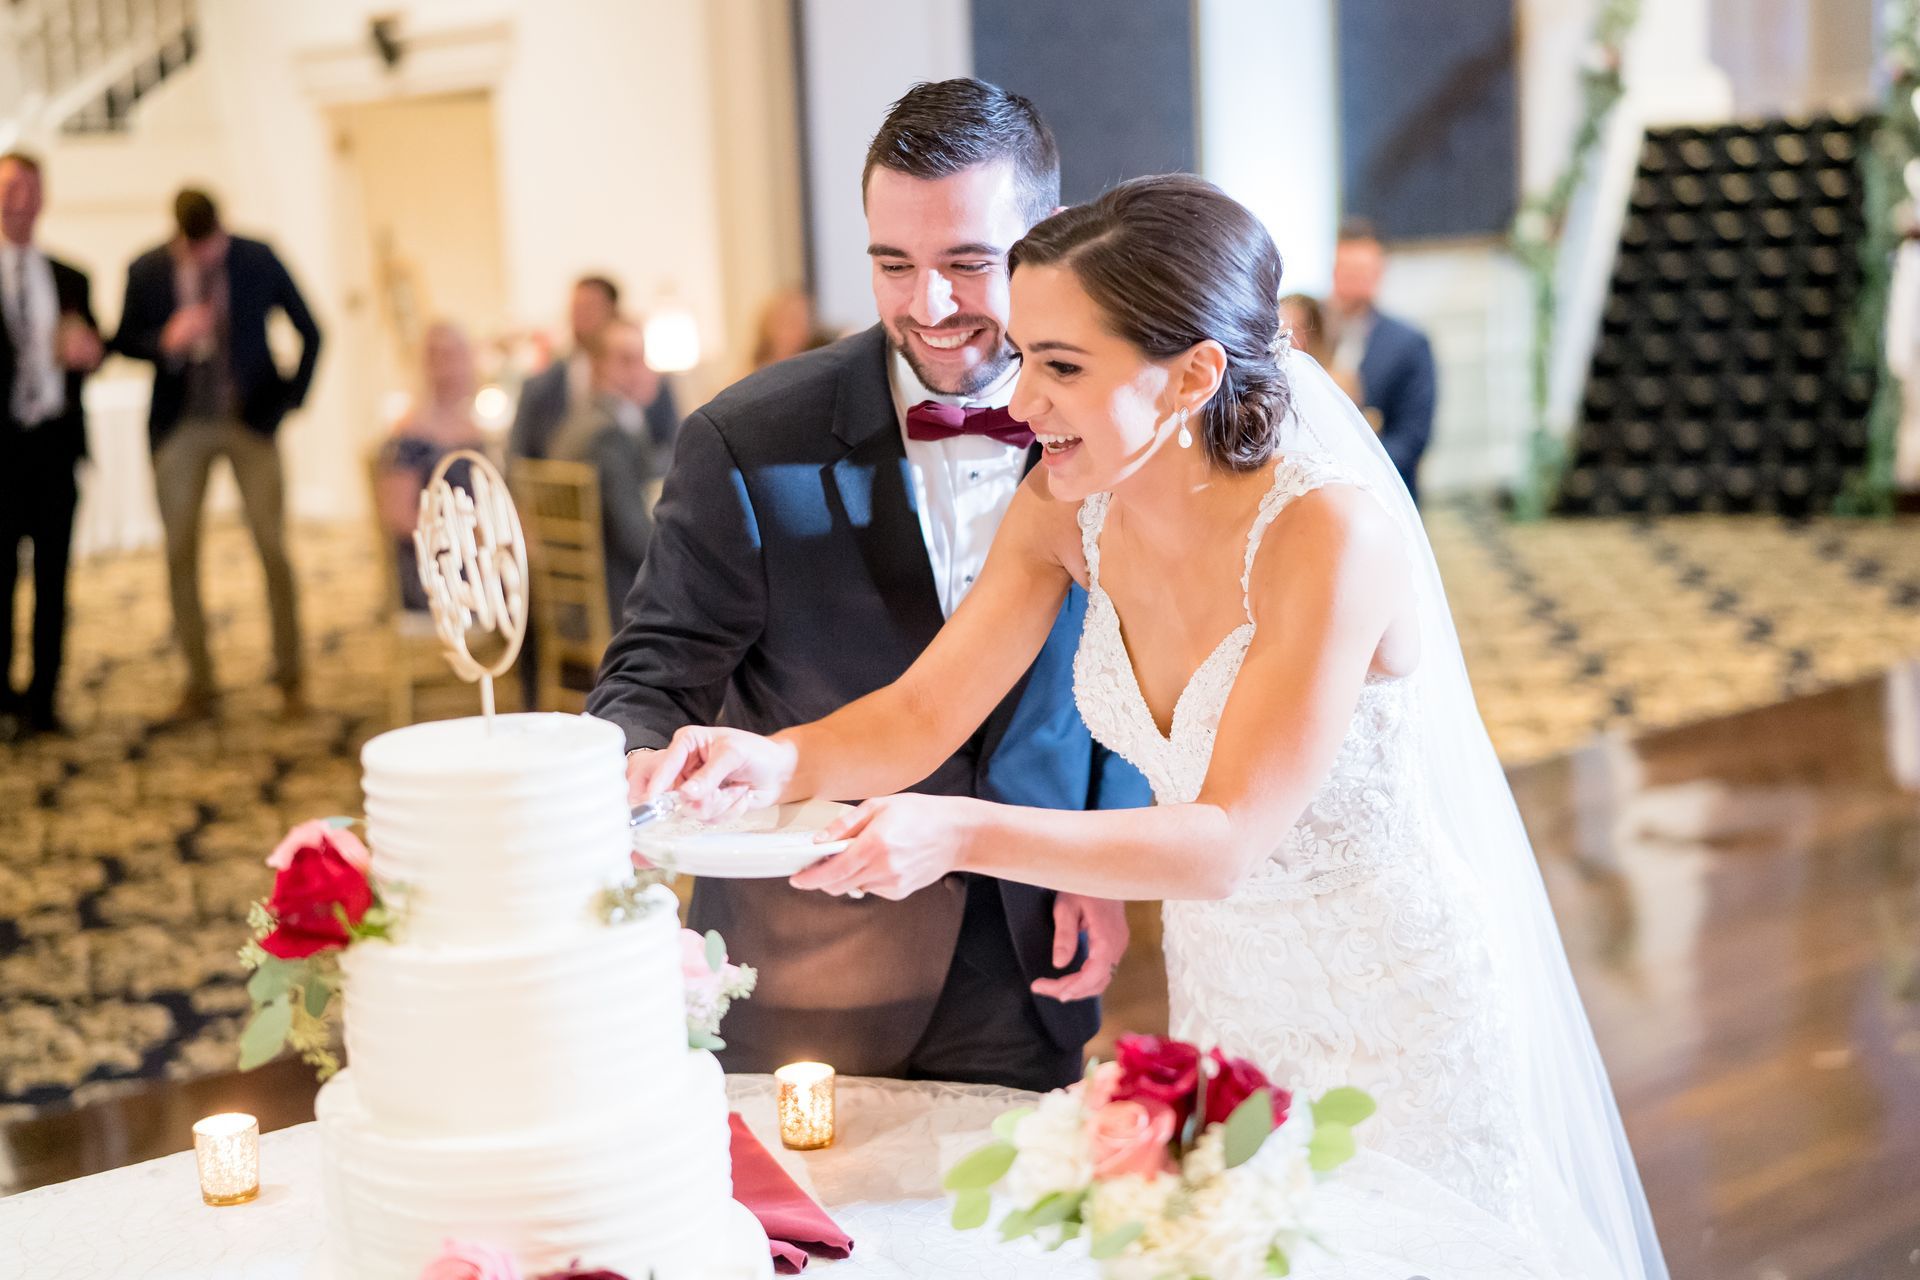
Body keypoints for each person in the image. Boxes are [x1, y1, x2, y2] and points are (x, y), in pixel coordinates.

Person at [635, 176, 1668, 1280]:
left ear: (1193, 373)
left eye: (1062, 366)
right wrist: (777, 756)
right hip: (1233, 998)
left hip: (1397, 1004)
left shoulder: (1328, 535)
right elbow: (926, 708)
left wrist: (955, 831)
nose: (1021, 401)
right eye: (1025, 355)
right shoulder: (1065, 511)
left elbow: (1223, 837)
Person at [589, 78, 1151, 1093]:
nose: (927, 306)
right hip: (812, 961)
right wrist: (637, 766)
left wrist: (1095, 858)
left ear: (1051, 234)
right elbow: (652, 671)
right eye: (894, 265)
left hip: (1034, 943)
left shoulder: (1110, 422)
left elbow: (1134, 659)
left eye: (969, 263)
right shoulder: (747, 443)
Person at [114, 187, 322, 722]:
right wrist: (166, 339)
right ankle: (199, 683)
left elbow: (312, 329)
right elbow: (123, 339)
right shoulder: (147, 269)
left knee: (272, 546)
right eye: (195, 247)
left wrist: (288, 402)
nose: (205, 256)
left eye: (211, 245)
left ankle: (291, 674)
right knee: (180, 550)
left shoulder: (257, 257)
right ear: (178, 236)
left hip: (248, 421)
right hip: (181, 424)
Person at [0, 151, 104, 741]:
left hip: (54, 450)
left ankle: (44, 700)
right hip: (1, 454)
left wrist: (90, 353)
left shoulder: (70, 277)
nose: (20, 200)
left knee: (54, 581)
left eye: (30, 189)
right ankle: (2, 700)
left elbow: (97, 348)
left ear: (44, 199)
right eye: (10, 187)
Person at [550, 317, 665, 621]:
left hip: (577, 597)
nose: (641, 371)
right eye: (626, 360)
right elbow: (633, 536)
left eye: (642, 359)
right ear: (598, 366)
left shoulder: (581, 419)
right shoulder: (606, 435)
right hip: (610, 602)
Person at [373, 320, 483, 611]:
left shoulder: (475, 428)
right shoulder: (410, 436)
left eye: (454, 356)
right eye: (438, 356)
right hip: (437, 564)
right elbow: (400, 517)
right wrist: (468, 540)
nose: (447, 368)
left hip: (477, 553)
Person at [508, 275, 679, 462]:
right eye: (575, 309)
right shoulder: (541, 386)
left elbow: (672, 450)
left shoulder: (653, 383)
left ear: (613, 311)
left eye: (590, 308)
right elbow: (519, 462)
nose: (580, 317)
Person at [1326, 218, 1436, 503]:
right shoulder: (1308, 332)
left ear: (1379, 274)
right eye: (1346, 271)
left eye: (1363, 272)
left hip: (1383, 493)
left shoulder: (1408, 343)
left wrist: (1348, 471)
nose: (1354, 281)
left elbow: (1412, 439)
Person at [1278, 290, 1366, 411]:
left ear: (1314, 335)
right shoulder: (1269, 378)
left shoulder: (1336, 383)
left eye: (1295, 330)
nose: (1283, 337)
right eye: (1279, 327)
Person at [749, 287, 833, 371]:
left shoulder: (816, 366)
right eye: (792, 321)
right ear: (770, 327)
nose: (802, 331)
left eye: (805, 322)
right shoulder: (753, 373)